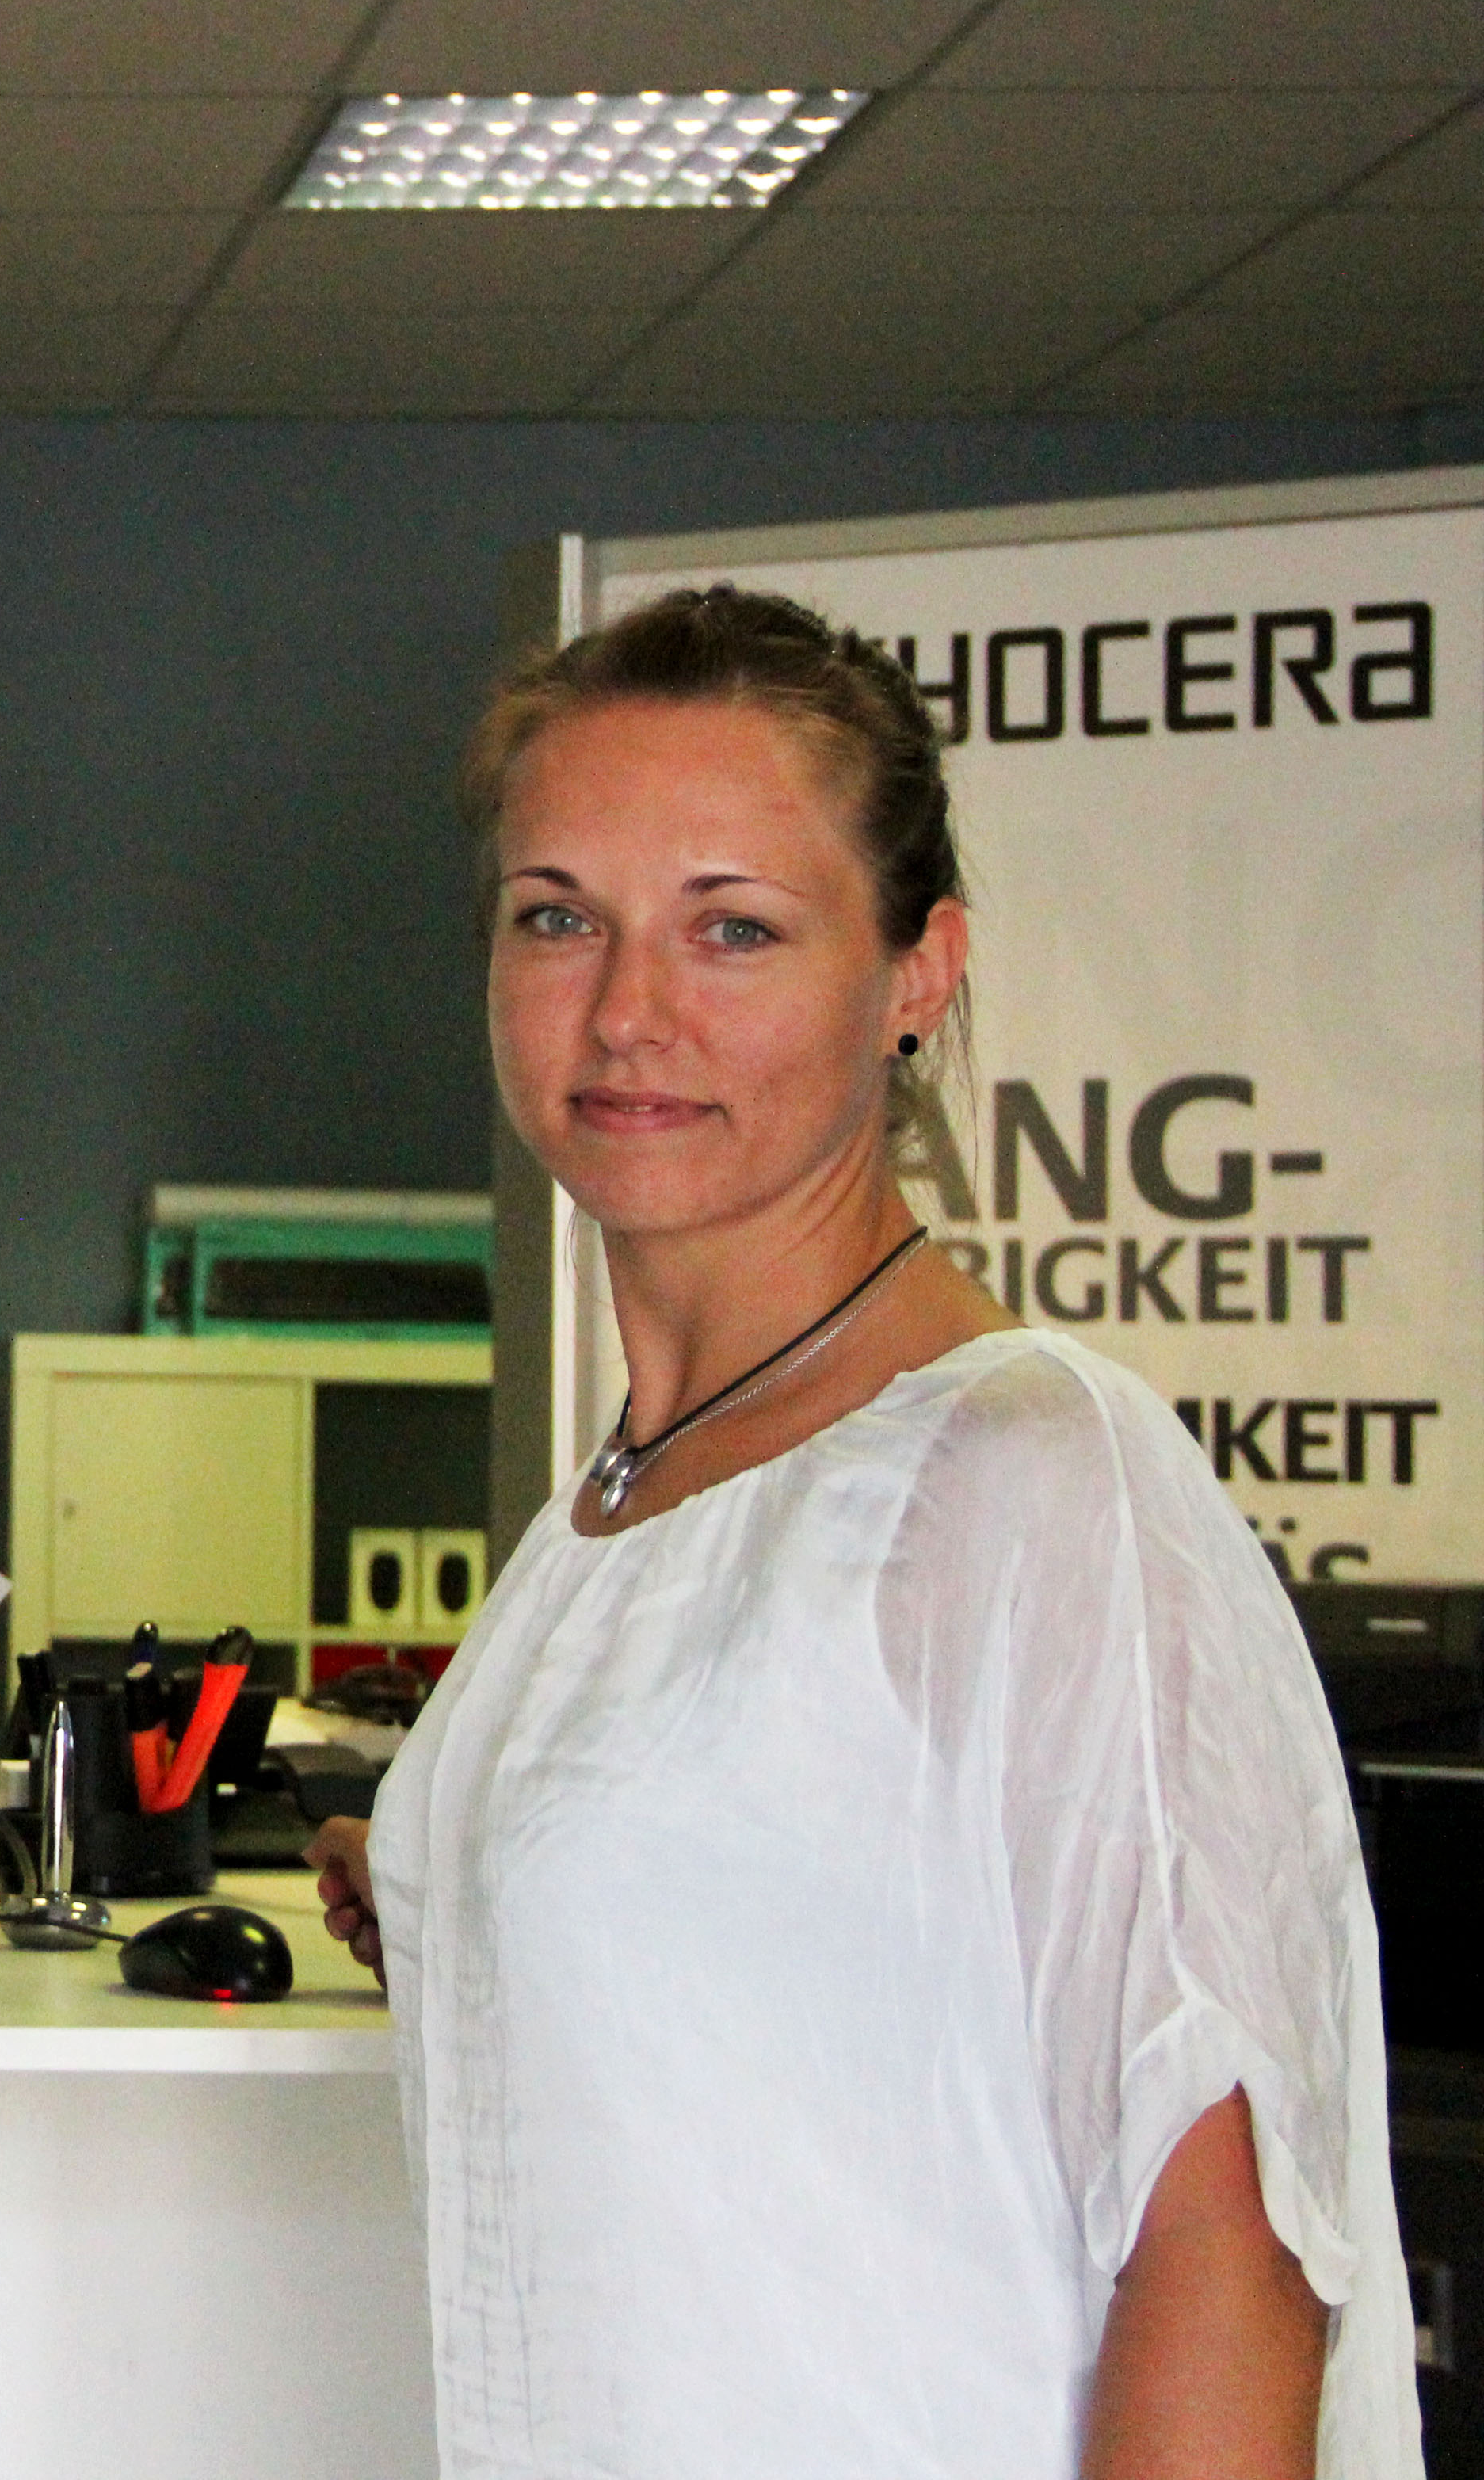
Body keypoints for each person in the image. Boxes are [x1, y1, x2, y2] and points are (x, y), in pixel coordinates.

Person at [307, 583, 1417, 2479]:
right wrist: (457, 1868)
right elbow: (806, 1960)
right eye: (557, 917)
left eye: (732, 928)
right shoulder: (613, 1504)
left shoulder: (1027, 1473)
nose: (629, 1010)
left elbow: (1229, 2256)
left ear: (916, 970)